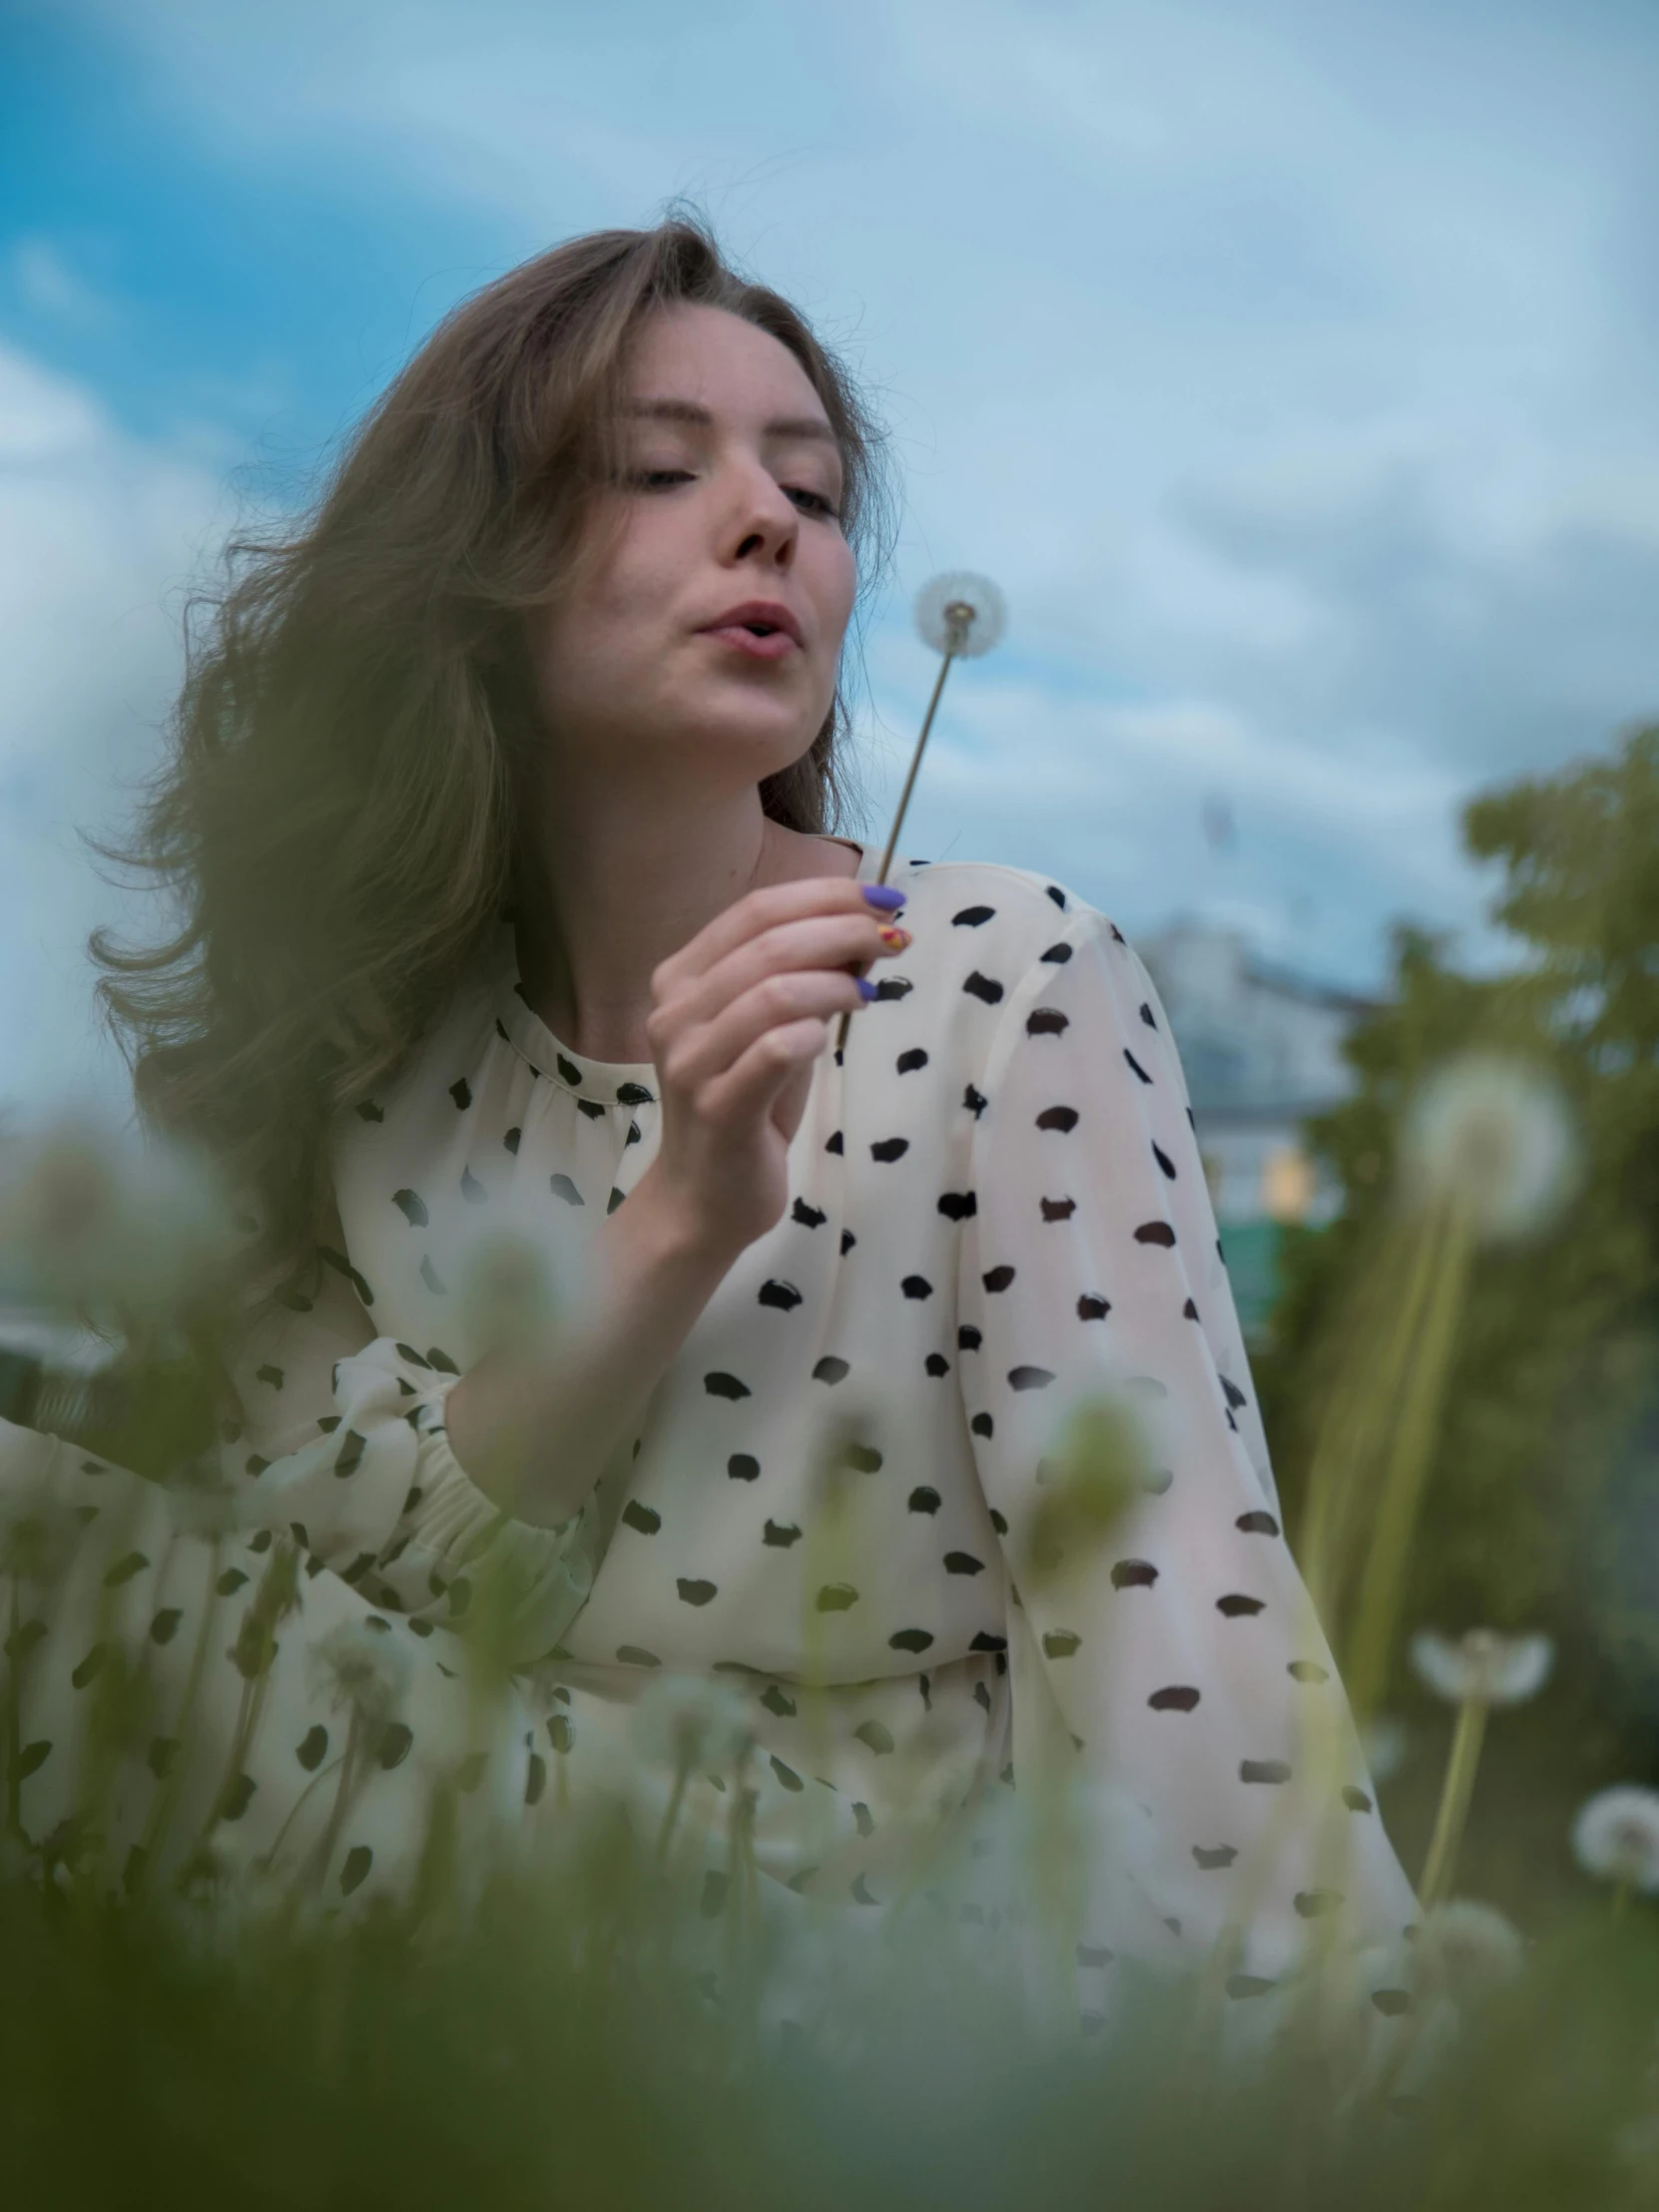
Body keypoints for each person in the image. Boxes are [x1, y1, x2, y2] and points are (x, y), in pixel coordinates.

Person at [0, 219, 1417, 2025]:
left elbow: (1175, 1608)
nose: (767, 523)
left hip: (856, 1961)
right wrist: (679, 1219)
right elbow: (308, 1587)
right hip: (423, 1856)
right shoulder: (349, 1055)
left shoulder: (1000, 981)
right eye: (661, 471)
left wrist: (1351, 2093)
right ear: (471, 575)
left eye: (812, 494)